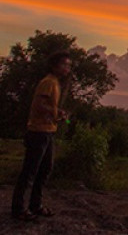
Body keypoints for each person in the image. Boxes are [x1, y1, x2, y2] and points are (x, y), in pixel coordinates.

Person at [11, 51, 71, 221]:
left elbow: (48, 105)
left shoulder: (55, 83)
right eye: (64, 64)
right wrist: (55, 114)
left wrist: (58, 112)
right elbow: (39, 104)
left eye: (68, 65)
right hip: (38, 132)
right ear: (54, 66)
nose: (67, 68)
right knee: (30, 171)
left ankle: (35, 205)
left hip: (48, 132)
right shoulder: (48, 82)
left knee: (44, 170)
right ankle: (18, 209)